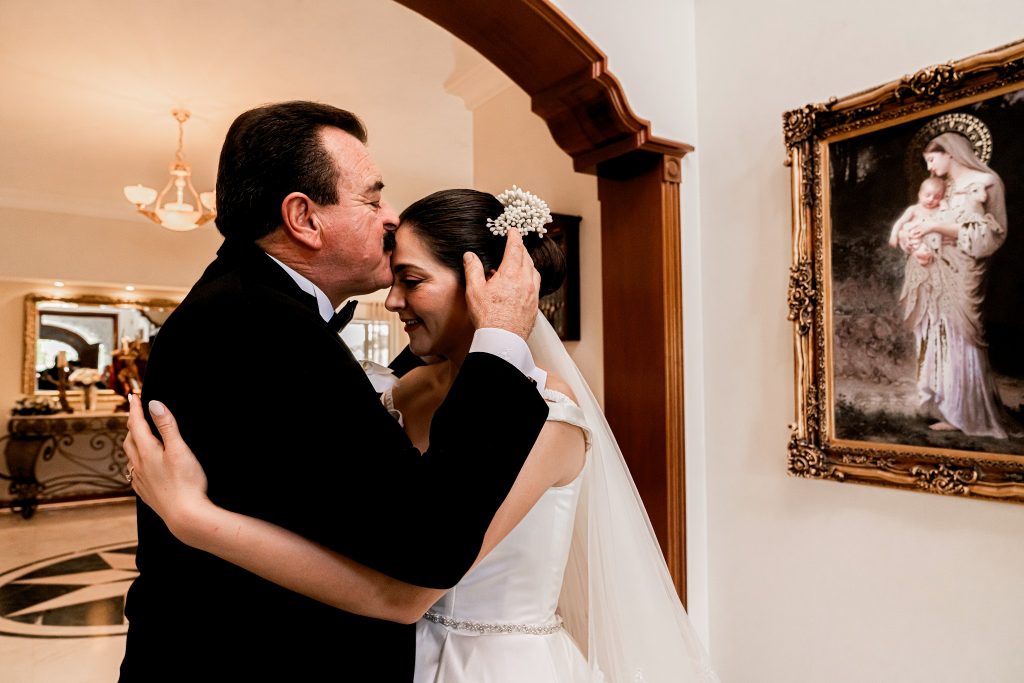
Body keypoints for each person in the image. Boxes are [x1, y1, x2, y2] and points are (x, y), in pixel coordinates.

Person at [123, 187, 719, 682]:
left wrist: (192, 517)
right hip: (391, 659)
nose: (391, 301)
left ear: (484, 283)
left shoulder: (548, 419)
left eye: (411, 280)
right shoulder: (405, 392)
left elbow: (409, 591)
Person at [118, 103, 551, 682]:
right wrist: (498, 341)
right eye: (372, 200)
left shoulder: (249, 305)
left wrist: (194, 517)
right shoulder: (258, 323)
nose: (389, 218)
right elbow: (430, 543)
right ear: (304, 217)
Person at [898, 129, 1022, 438]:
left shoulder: (987, 183)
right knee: (940, 333)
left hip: (966, 268)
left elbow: (994, 235)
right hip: (936, 269)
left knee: (962, 336)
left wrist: (938, 225)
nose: (929, 168)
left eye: (932, 159)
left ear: (950, 152)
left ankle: (970, 412)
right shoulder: (943, 188)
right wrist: (910, 239)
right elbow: (918, 219)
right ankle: (950, 410)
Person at [888, 176, 949, 266]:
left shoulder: (938, 209)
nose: (931, 199)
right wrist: (893, 235)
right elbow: (900, 222)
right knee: (908, 231)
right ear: (920, 194)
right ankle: (918, 253)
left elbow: (947, 219)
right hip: (914, 239)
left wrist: (944, 205)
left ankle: (925, 254)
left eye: (937, 197)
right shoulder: (914, 209)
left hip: (930, 241)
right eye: (927, 195)